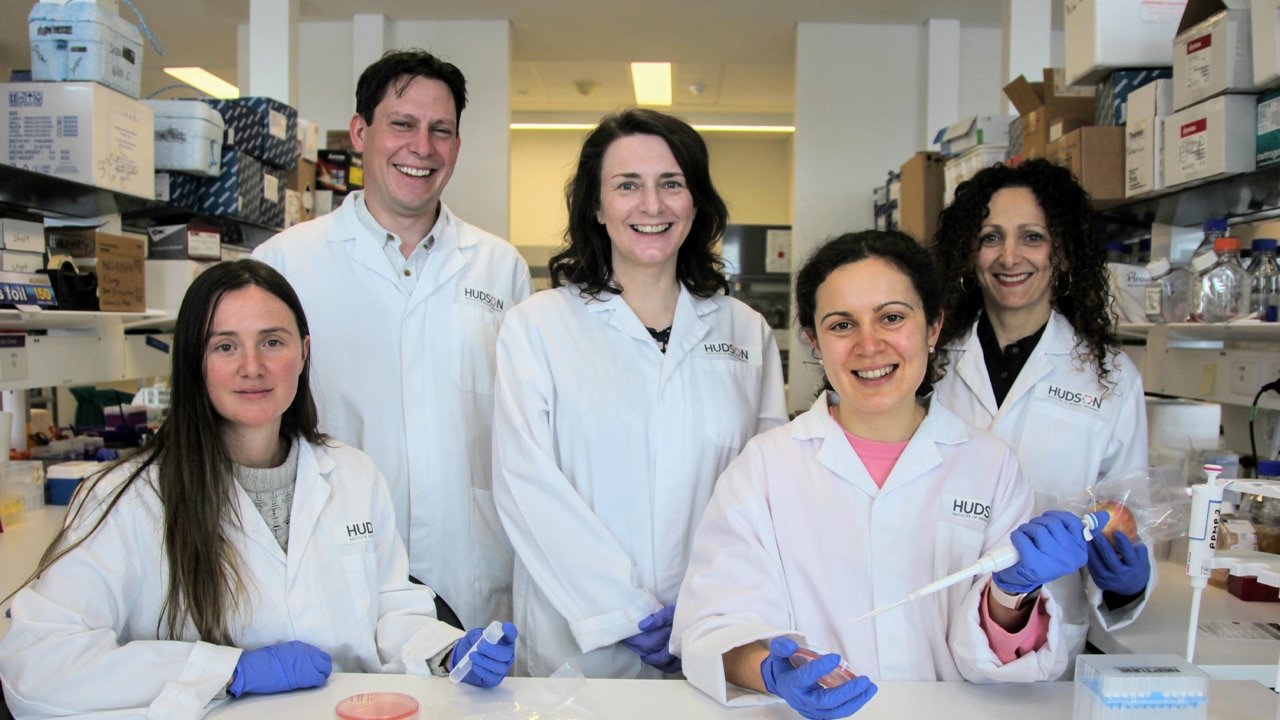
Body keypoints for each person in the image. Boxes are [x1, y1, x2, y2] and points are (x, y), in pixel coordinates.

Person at [0, 260, 516, 719]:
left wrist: (446, 651)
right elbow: (38, 666)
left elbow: (390, 611)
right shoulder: (124, 497)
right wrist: (227, 671)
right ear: (193, 362)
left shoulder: (352, 474)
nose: (253, 366)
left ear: (303, 351)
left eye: (273, 341)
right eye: (225, 346)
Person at [673, 231, 1095, 716]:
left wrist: (1011, 596)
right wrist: (771, 670)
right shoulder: (766, 466)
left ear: (933, 328)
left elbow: (1002, 660)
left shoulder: (989, 465)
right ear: (813, 340)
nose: (869, 345)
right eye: (841, 325)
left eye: (892, 317)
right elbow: (715, 623)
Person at [492, 108, 788, 679]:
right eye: (627, 185)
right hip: (579, 641)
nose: (651, 205)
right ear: (597, 207)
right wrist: (621, 611)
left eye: (671, 184)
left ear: (694, 203)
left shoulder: (745, 331)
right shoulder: (538, 327)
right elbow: (524, 483)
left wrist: (710, 606)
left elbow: (767, 487)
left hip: (712, 631)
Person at [253, 50, 532, 631]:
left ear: (457, 144)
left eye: (442, 130)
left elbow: (523, 425)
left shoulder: (499, 269)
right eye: (402, 124)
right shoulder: (286, 263)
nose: (422, 147)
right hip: (332, 555)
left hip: (471, 563)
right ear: (361, 132)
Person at [929, 159, 1153, 664]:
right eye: (991, 237)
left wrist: (1126, 581)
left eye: (1032, 237)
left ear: (1064, 251)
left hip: (1044, 637)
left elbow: (1127, 514)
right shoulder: (927, 361)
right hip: (930, 619)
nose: (1009, 256)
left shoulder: (1110, 378)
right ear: (969, 252)